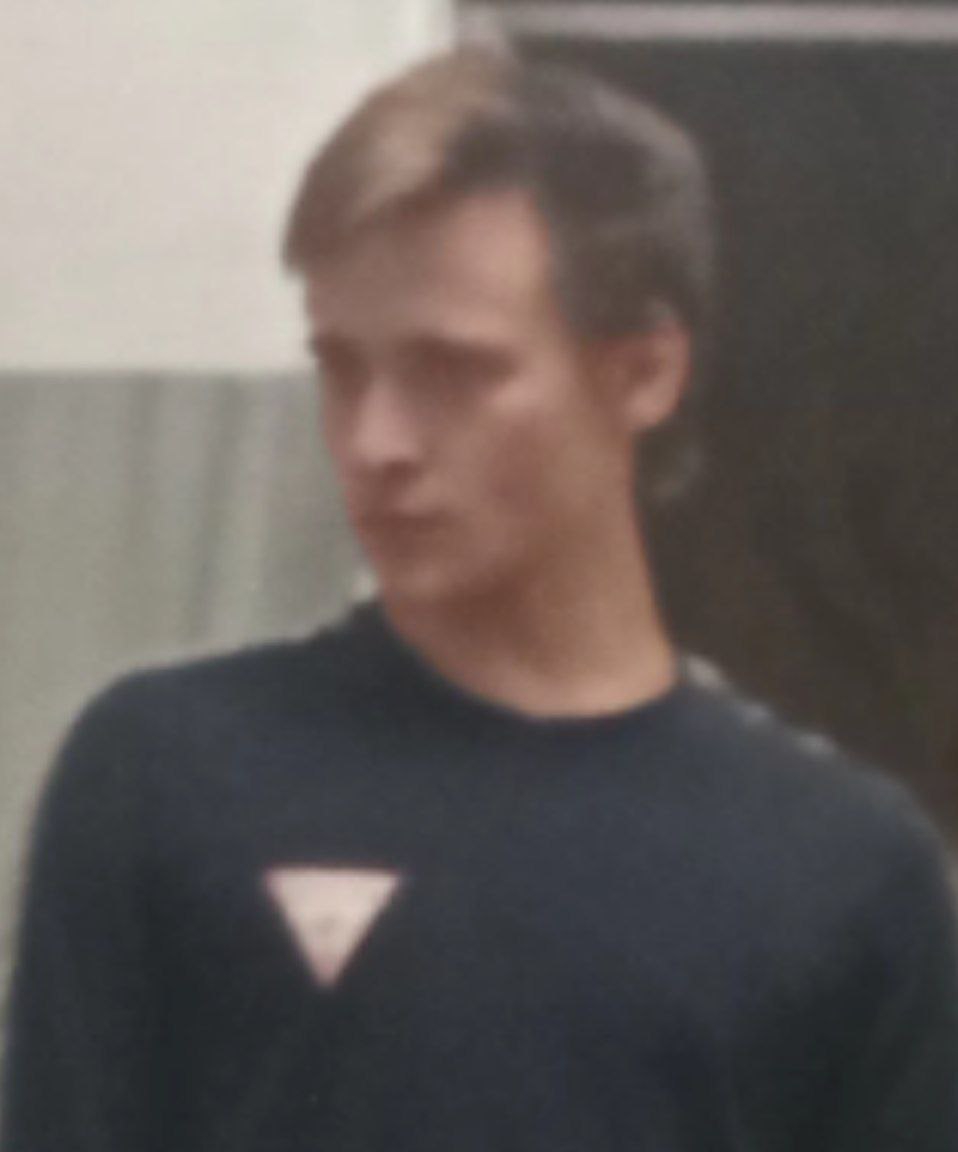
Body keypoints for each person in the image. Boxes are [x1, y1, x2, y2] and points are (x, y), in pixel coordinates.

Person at [3, 47, 957, 1152]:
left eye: (451, 371)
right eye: (342, 369)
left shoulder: (844, 873)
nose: (376, 442)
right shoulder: (166, 773)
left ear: (643, 373)